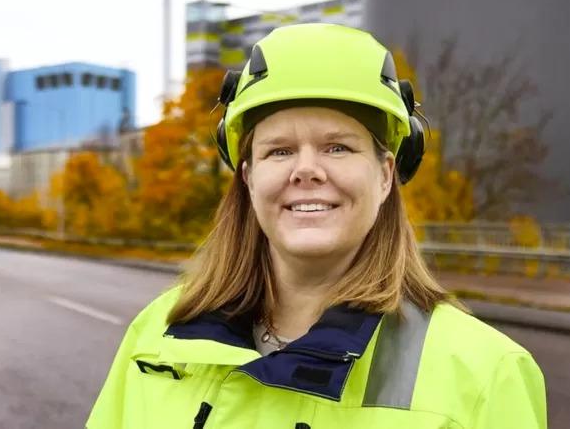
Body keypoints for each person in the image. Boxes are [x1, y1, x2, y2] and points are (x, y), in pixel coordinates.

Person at [86, 24, 546, 429]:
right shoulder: (156, 337)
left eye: (338, 148)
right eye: (279, 150)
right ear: (248, 178)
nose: (306, 171)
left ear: (385, 175)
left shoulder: (486, 372)